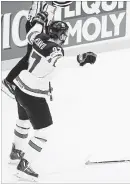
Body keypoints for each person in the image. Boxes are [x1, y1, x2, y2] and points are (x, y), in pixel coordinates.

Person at [9, 11, 96, 181]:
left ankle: (16, 151)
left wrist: (39, 21)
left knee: (23, 120)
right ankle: (24, 164)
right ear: (62, 36)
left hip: (20, 85)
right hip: (33, 93)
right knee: (43, 132)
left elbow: (31, 33)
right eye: (65, 35)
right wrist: (81, 59)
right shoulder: (55, 49)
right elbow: (60, 62)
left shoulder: (39, 37)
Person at [1, 1, 72, 99]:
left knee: (40, 57)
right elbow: (62, 2)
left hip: (42, 24)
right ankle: (8, 81)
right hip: (36, 24)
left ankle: (39, 85)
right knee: (30, 57)